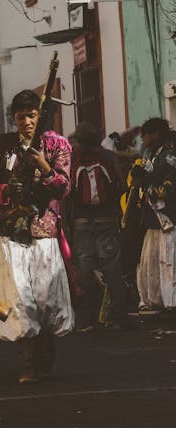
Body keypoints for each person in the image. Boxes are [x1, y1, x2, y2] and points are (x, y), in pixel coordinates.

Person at [0, 89, 75, 384]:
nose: (27, 122)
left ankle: (45, 357)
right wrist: (3, 192)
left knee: (46, 301)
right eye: (21, 117)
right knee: (19, 300)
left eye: (32, 116)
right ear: (14, 120)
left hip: (44, 233)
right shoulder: (1, 147)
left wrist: (44, 168)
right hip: (10, 234)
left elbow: (64, 188)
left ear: (40, 116)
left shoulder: (57, 145)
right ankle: (30, 362)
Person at [69, 122, 131, 330]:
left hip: (81, 222)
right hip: (107, 219)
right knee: (112, 267)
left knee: (84, 269)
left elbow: (68, 191)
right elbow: (121, 185)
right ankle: (118, 316)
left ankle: (88, 317)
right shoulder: (107, 157)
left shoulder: (73, 158)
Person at [133, 118, 176, 316]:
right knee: (152, 259)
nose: (143, 138)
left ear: (156, 134)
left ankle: (171, 300)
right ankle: (157, 298)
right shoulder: (149, 153)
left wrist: (149, 184)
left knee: (168, 259)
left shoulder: (169, 154)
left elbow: (170, 185)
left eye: (146, 134)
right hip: (152, 217)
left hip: (167, 216)